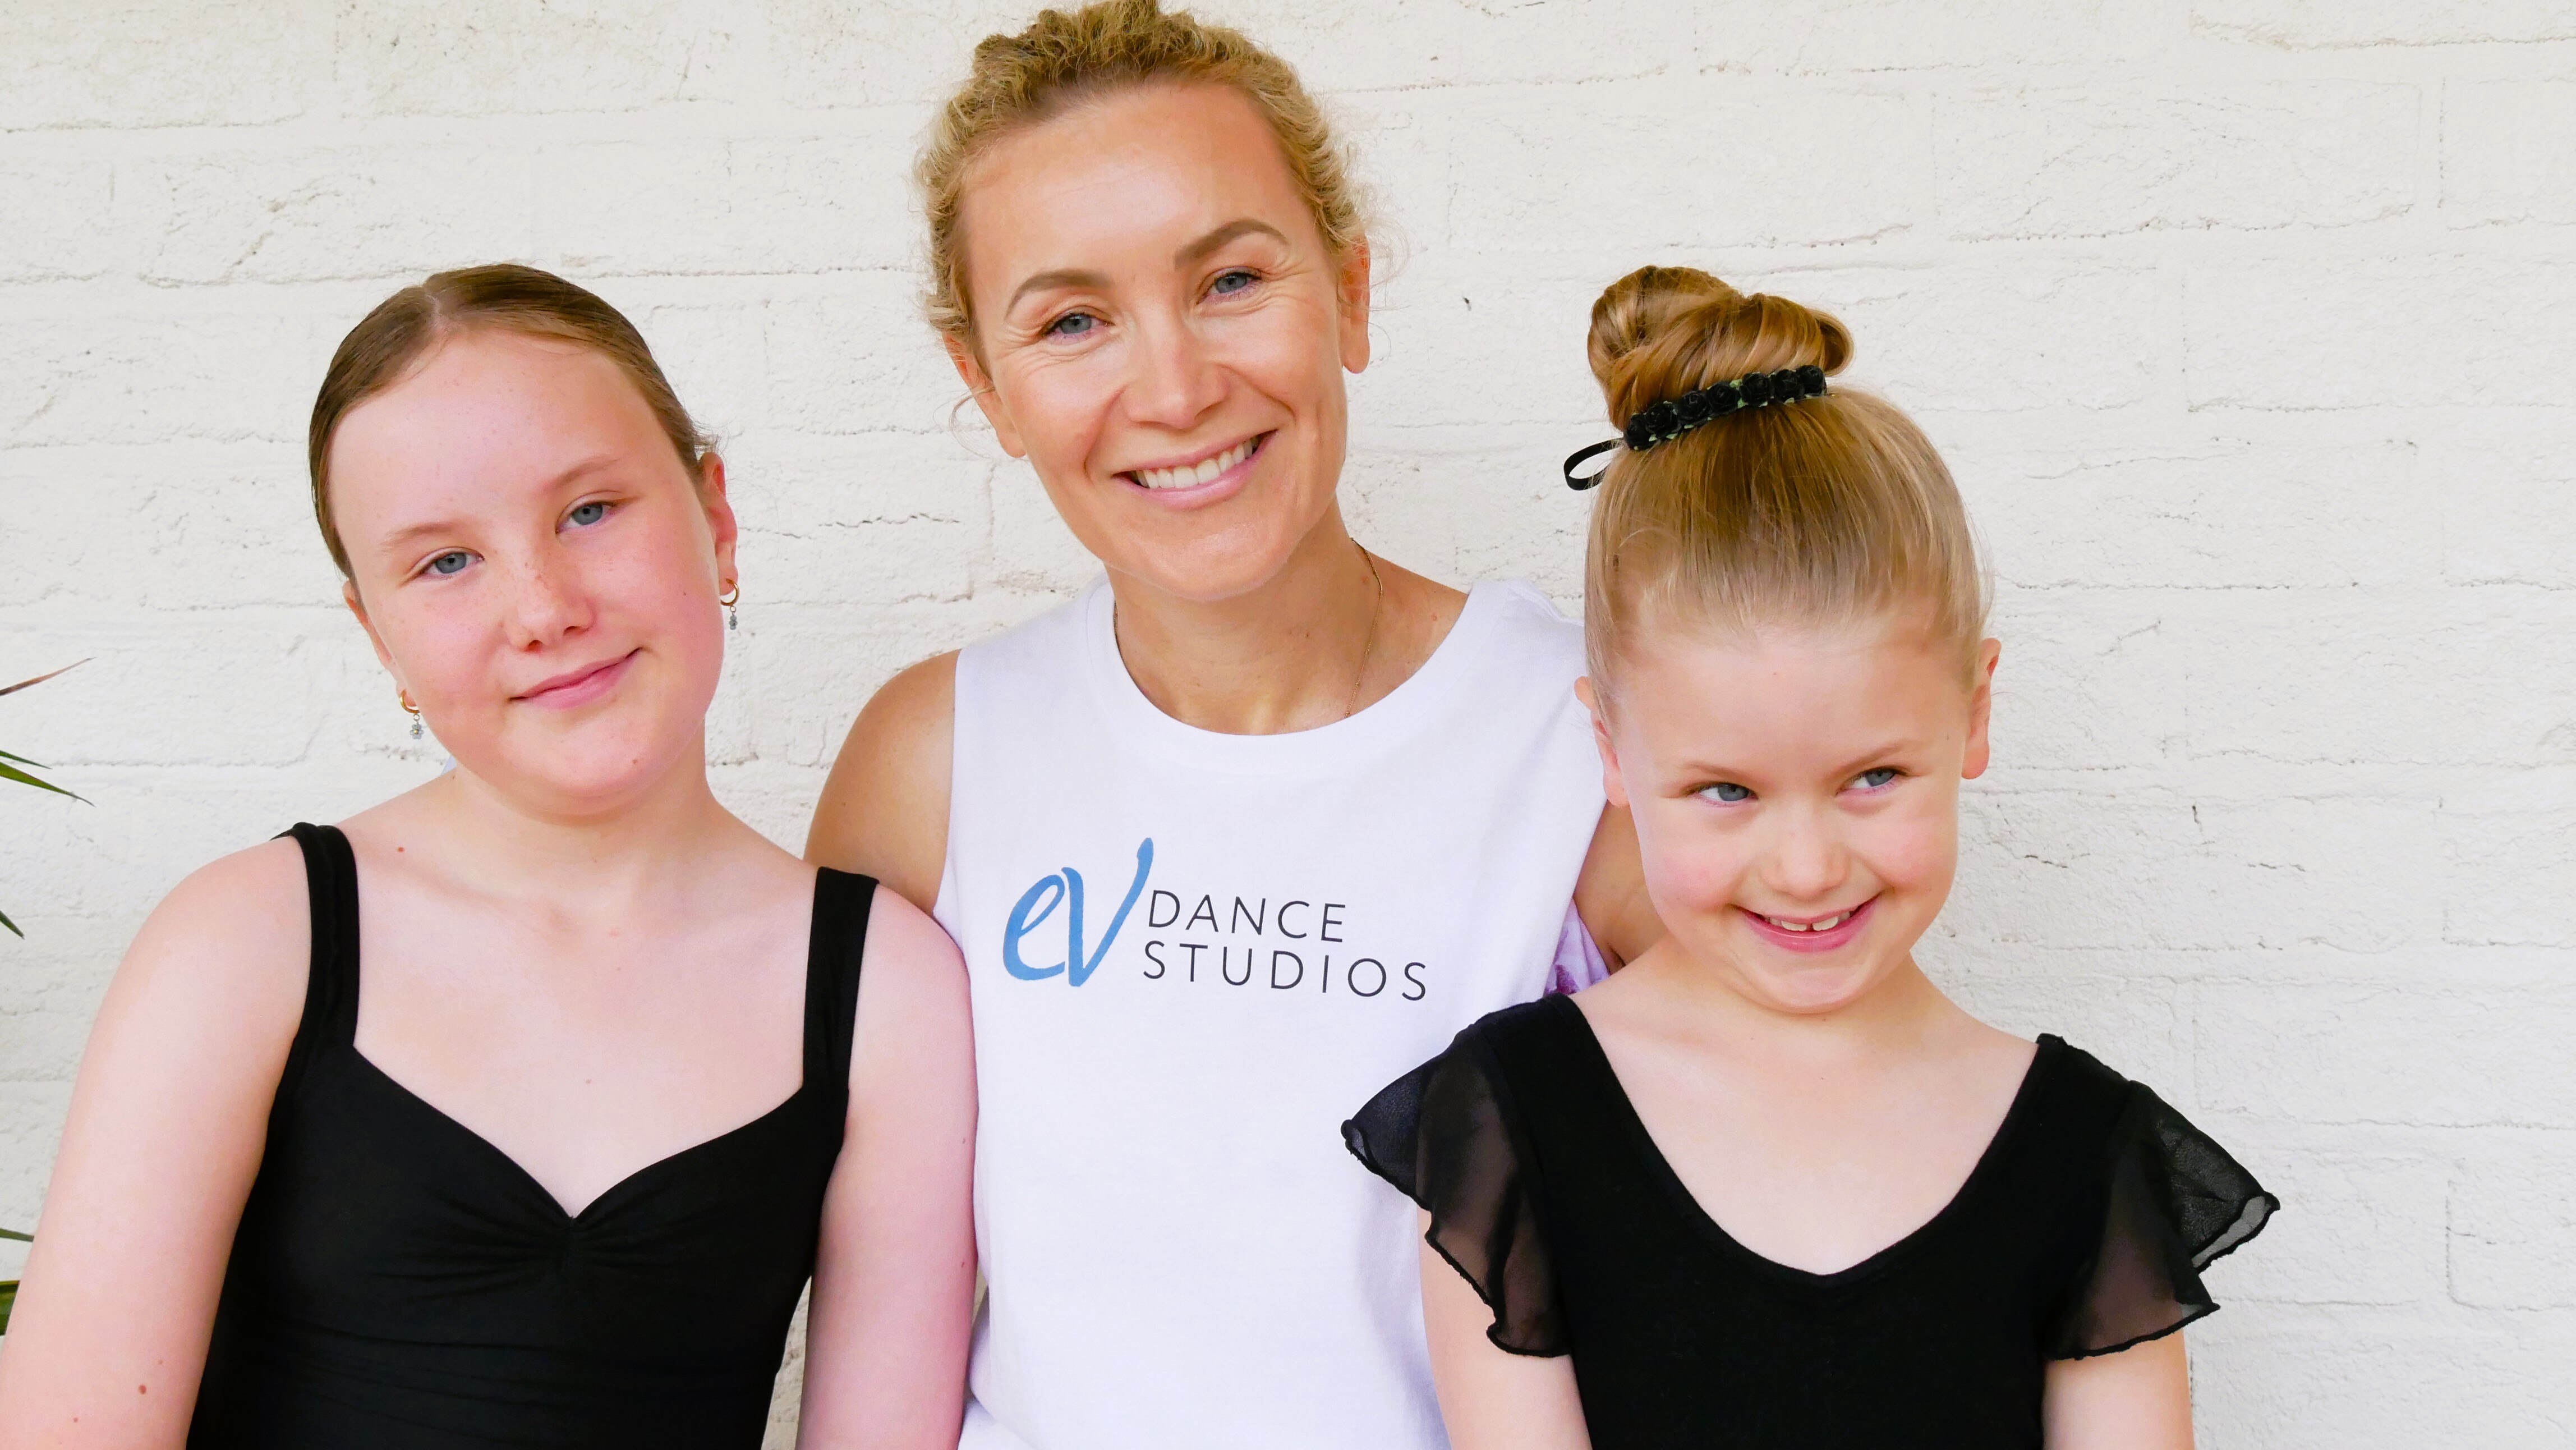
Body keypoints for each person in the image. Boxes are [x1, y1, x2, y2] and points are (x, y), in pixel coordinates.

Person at [804, 3, 1658, 1446]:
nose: (1176, 388)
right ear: (986, 389)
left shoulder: (1592, 737)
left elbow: (1787, 1231)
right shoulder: (930, 759)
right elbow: (852, 1281)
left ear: (1353, 292)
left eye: (1233, 280)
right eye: (1072, 320)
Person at [0, 265, 977, 1449]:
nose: (543, 605)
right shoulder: (245, 940)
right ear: (379, 634)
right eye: (445, 561)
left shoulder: (887, 986)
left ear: (715, 516)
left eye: (590, 511)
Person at [1345, 267, 2279, 1449]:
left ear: (1974, 712)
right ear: (1610, 750)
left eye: (1871, 778)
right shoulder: (1514, 1124)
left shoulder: (2083, 1156)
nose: (1802, 867)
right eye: (1725, 790)